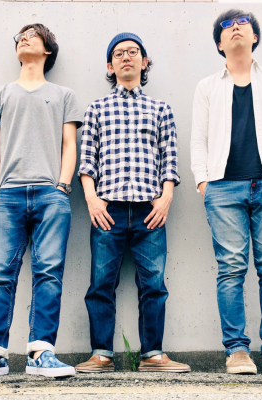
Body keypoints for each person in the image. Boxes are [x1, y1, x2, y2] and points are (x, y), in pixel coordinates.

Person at [0, 23, 82, 380]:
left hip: (51, 196)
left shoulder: (64, 95)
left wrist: (62, 187)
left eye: (32, 34)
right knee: (1, 275)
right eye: (20, 36)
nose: (24, 38)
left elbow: (69, 145)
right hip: (6, 196)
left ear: (47, 50)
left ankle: (41, 353)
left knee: (49, 274)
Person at [75, 32, 190, 373]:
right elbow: (87, 161)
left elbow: (170, 158)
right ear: (110, 66)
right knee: (100, 284)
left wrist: (166, 198)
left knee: (153, 284)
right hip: (106, 209)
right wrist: (92, 200)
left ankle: (153, 355)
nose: (126, 57)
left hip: (149, 211)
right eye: (119, 53)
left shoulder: (160, 109)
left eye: (133, 51)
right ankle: (101, 355)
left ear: (144, 61)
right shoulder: (97, 108)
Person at [191, 9, 262, 374]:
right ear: (220, 44)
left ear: (255, 37)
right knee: (231, 268)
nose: (235, 27)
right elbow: (199, 138)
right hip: (223, 187)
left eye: (243, 22)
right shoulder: (207, 86)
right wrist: (203, 182)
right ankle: (236, 350)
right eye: (227, 25)